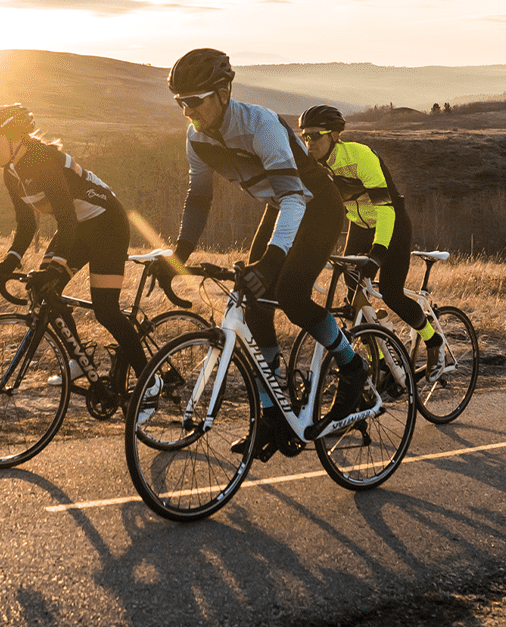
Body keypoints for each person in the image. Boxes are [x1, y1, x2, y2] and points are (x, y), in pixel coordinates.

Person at [157, 49, 366, 459]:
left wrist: (272, 260)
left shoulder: (261, 126)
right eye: (180, 102)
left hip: (316, 205)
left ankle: (352, 365)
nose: (187, 111)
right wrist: (178, 253)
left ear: (222, 92)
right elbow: (198, 199)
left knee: (289, 294)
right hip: (281, 208)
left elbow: (294, 197)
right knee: (253, 304)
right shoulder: (196, 138)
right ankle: (272, 414)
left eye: (194, 100)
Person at [0, 104, 145, 404]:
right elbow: (27, 223)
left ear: (16, 139)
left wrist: (55, 268)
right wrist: (8, 263)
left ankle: (150, 381)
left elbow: (66, 219)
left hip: (107, 225)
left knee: (105, 309)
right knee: (43, 290)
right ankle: (81, 361)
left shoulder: (43, 161)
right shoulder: (11, 172)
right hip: (78, 228)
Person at [296, 105, 446, 380]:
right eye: (305, 136)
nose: (309, 142)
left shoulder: (360, 156)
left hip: (392, 221)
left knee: (391, 293)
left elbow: (385, 208)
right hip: (360, 224)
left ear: (335, 135)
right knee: (354, 296)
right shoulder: (313, 165)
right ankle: (381, 361)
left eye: (316, 136)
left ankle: (432, 340)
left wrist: (378, 252)